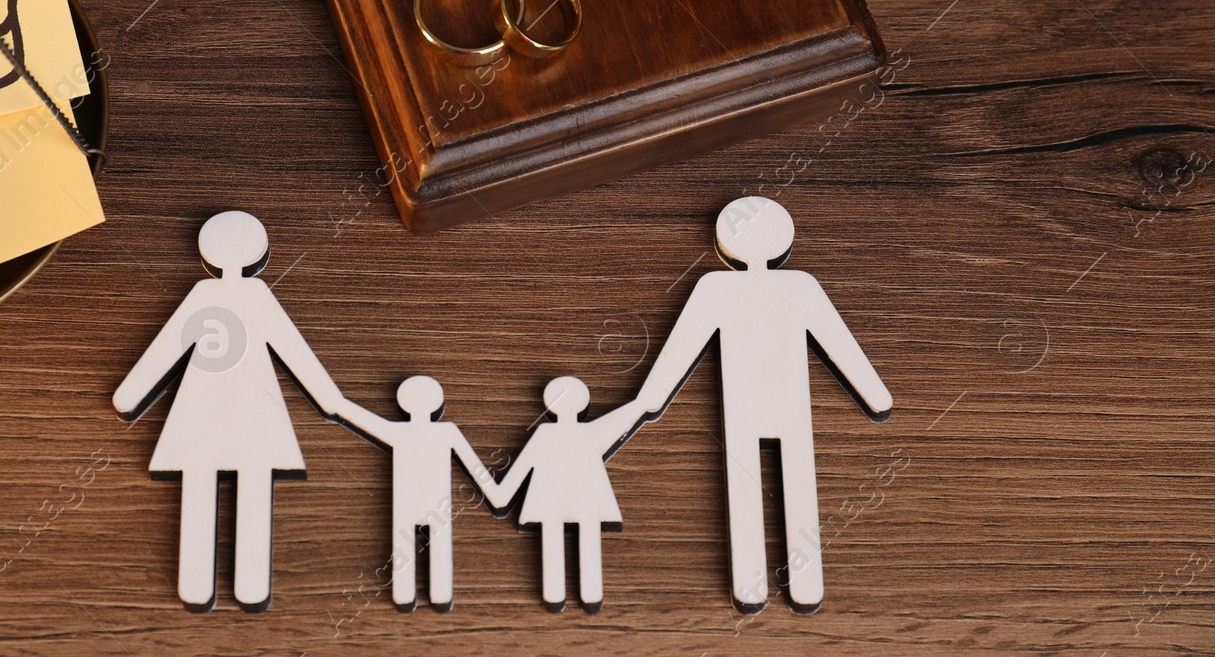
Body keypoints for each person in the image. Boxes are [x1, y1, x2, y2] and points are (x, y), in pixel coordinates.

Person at [637, 196, 892, 613]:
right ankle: (801, 584)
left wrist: (651, 398)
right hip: (785, 402)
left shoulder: (716, 287)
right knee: (798, 485)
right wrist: (876, 395)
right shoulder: (797, 286)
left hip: (744, 403)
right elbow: (839, 344)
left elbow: (681, 350)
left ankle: (752, 586)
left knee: (744, 487)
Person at [113, 211, 347, 613]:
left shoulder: (205, 296)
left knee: (200, 483)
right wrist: (330, 401)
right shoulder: (255, 297)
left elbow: (165, 351)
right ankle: (251, 585)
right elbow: (294, 352)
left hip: (200, 408)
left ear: (209, 253)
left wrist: (130, 396)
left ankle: (197, 583)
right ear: (258, 251)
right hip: (256, 409)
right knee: (253, 482)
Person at [337, 376, 501, 612]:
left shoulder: (400, 431)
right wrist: (495, 494)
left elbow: (356, 416)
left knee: (408, 547)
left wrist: (334, 402)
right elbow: (476, 470)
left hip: (413, 502)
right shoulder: (443, 432)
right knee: (436, 546)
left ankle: (409, 595)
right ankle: (435, 596)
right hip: (432, 502)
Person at [491, 377, 645, 613]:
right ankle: (588, 594)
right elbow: (626, 416)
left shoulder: (549, 433)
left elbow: (520, 470)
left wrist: (500, 494)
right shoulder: (589, 431)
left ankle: (559, 594)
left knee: (558, 537)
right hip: (583, 500)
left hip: (554, 500)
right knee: (585, 537)